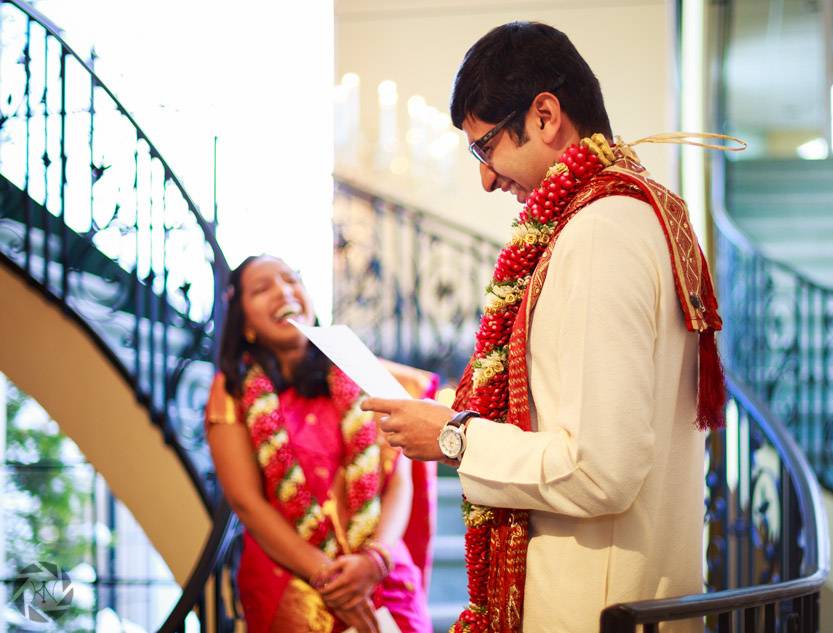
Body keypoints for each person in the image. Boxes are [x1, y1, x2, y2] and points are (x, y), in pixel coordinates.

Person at [361, 22, 728, 633]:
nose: (485, 177)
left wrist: (455, 439)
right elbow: (566, 407)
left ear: (545, 115)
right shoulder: (620, 210)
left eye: (486, 148)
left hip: (595, 601)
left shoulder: (600, 231)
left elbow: (599, 471)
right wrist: (444, 409)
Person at [205, 255, 436, 633]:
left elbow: (399, 480)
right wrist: (328, 577)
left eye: (291, 279)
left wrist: (375, 560)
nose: (283, 291)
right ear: (244, 322)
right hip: (293, 587)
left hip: (382, 572)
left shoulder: (361, 369)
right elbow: (246, 502)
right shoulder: (231, 392)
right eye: (262, 289)